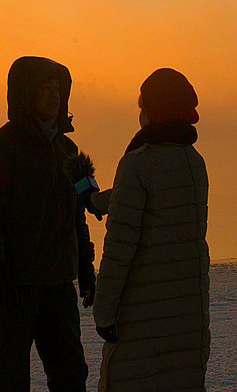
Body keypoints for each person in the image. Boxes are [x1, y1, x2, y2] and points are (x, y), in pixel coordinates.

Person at [0, 56, 95, 392]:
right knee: (11, 379)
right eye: (45, 88)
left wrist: (84, 264)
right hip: (15, 288)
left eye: (59, 89)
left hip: (58, 286)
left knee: (70, 374)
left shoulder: (67, 150)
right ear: (25, 94)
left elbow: (76, 213)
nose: (55, 96)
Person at [91, 68, 210, 392]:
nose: (140, 114)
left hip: (143, 316)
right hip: (188, 315)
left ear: (154, 111)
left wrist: (104, 313)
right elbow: (159, 199)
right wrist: (102, 201)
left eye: (143, 106)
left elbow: (119, 247)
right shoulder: (193, 161)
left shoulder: (138, 163)